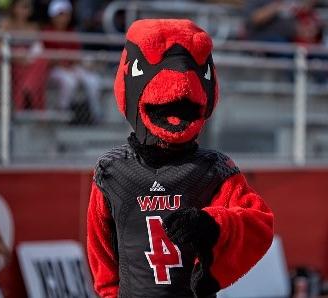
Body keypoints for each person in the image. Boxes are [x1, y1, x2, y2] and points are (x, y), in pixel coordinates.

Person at [87, 19, 274, 297]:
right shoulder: (112, 171)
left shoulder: (214, 170)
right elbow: (101, 256)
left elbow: (259, 222)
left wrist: (212, 225)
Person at [44, 0, 102, 122]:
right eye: (60, 14)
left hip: (71, 66)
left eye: (66, 14)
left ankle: (96, 115)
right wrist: (60, 61)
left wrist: (75, 62)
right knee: (69, 81)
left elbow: (76, 55)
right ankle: (62, 113)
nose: (63, 18)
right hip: (53, 69)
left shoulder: (71, 32)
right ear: (52, 15)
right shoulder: (46, 31)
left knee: (93, 81)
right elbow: (45, 58)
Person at [0, 0, 48, 110]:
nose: (26, 10)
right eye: (23, 7)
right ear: (14, 8)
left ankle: (28, 88)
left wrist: (27, 58)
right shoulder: (6, 24)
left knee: (42, 60)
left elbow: (38, 48)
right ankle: (26, 91)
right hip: (11, 63)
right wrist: (15, 57)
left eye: (28, 7)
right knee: (30, 70)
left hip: (29, 63)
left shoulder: (33, 26)